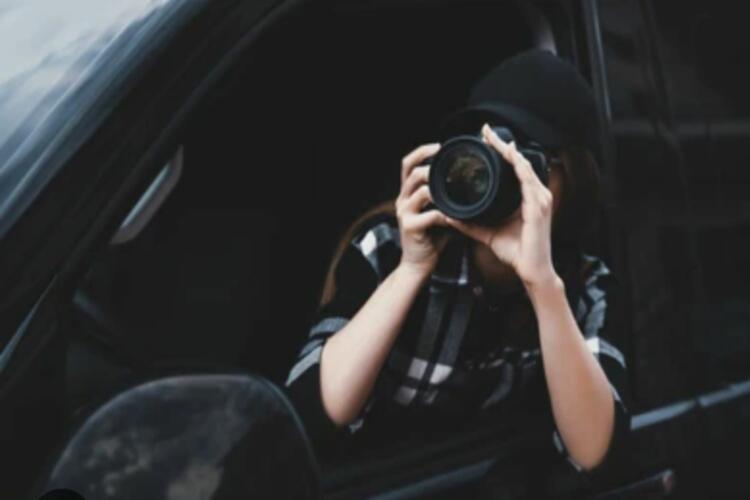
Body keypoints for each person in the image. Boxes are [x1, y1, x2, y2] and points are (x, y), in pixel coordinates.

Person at [285, 49, 630, 496]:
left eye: (525, 162)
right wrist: (412, 269)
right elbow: (310, 417)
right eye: (480, 155)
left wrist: (542, 286)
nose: (496, 176)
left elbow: (595, 454)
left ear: (573, 183)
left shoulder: (581, 286)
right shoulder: (393, 246)